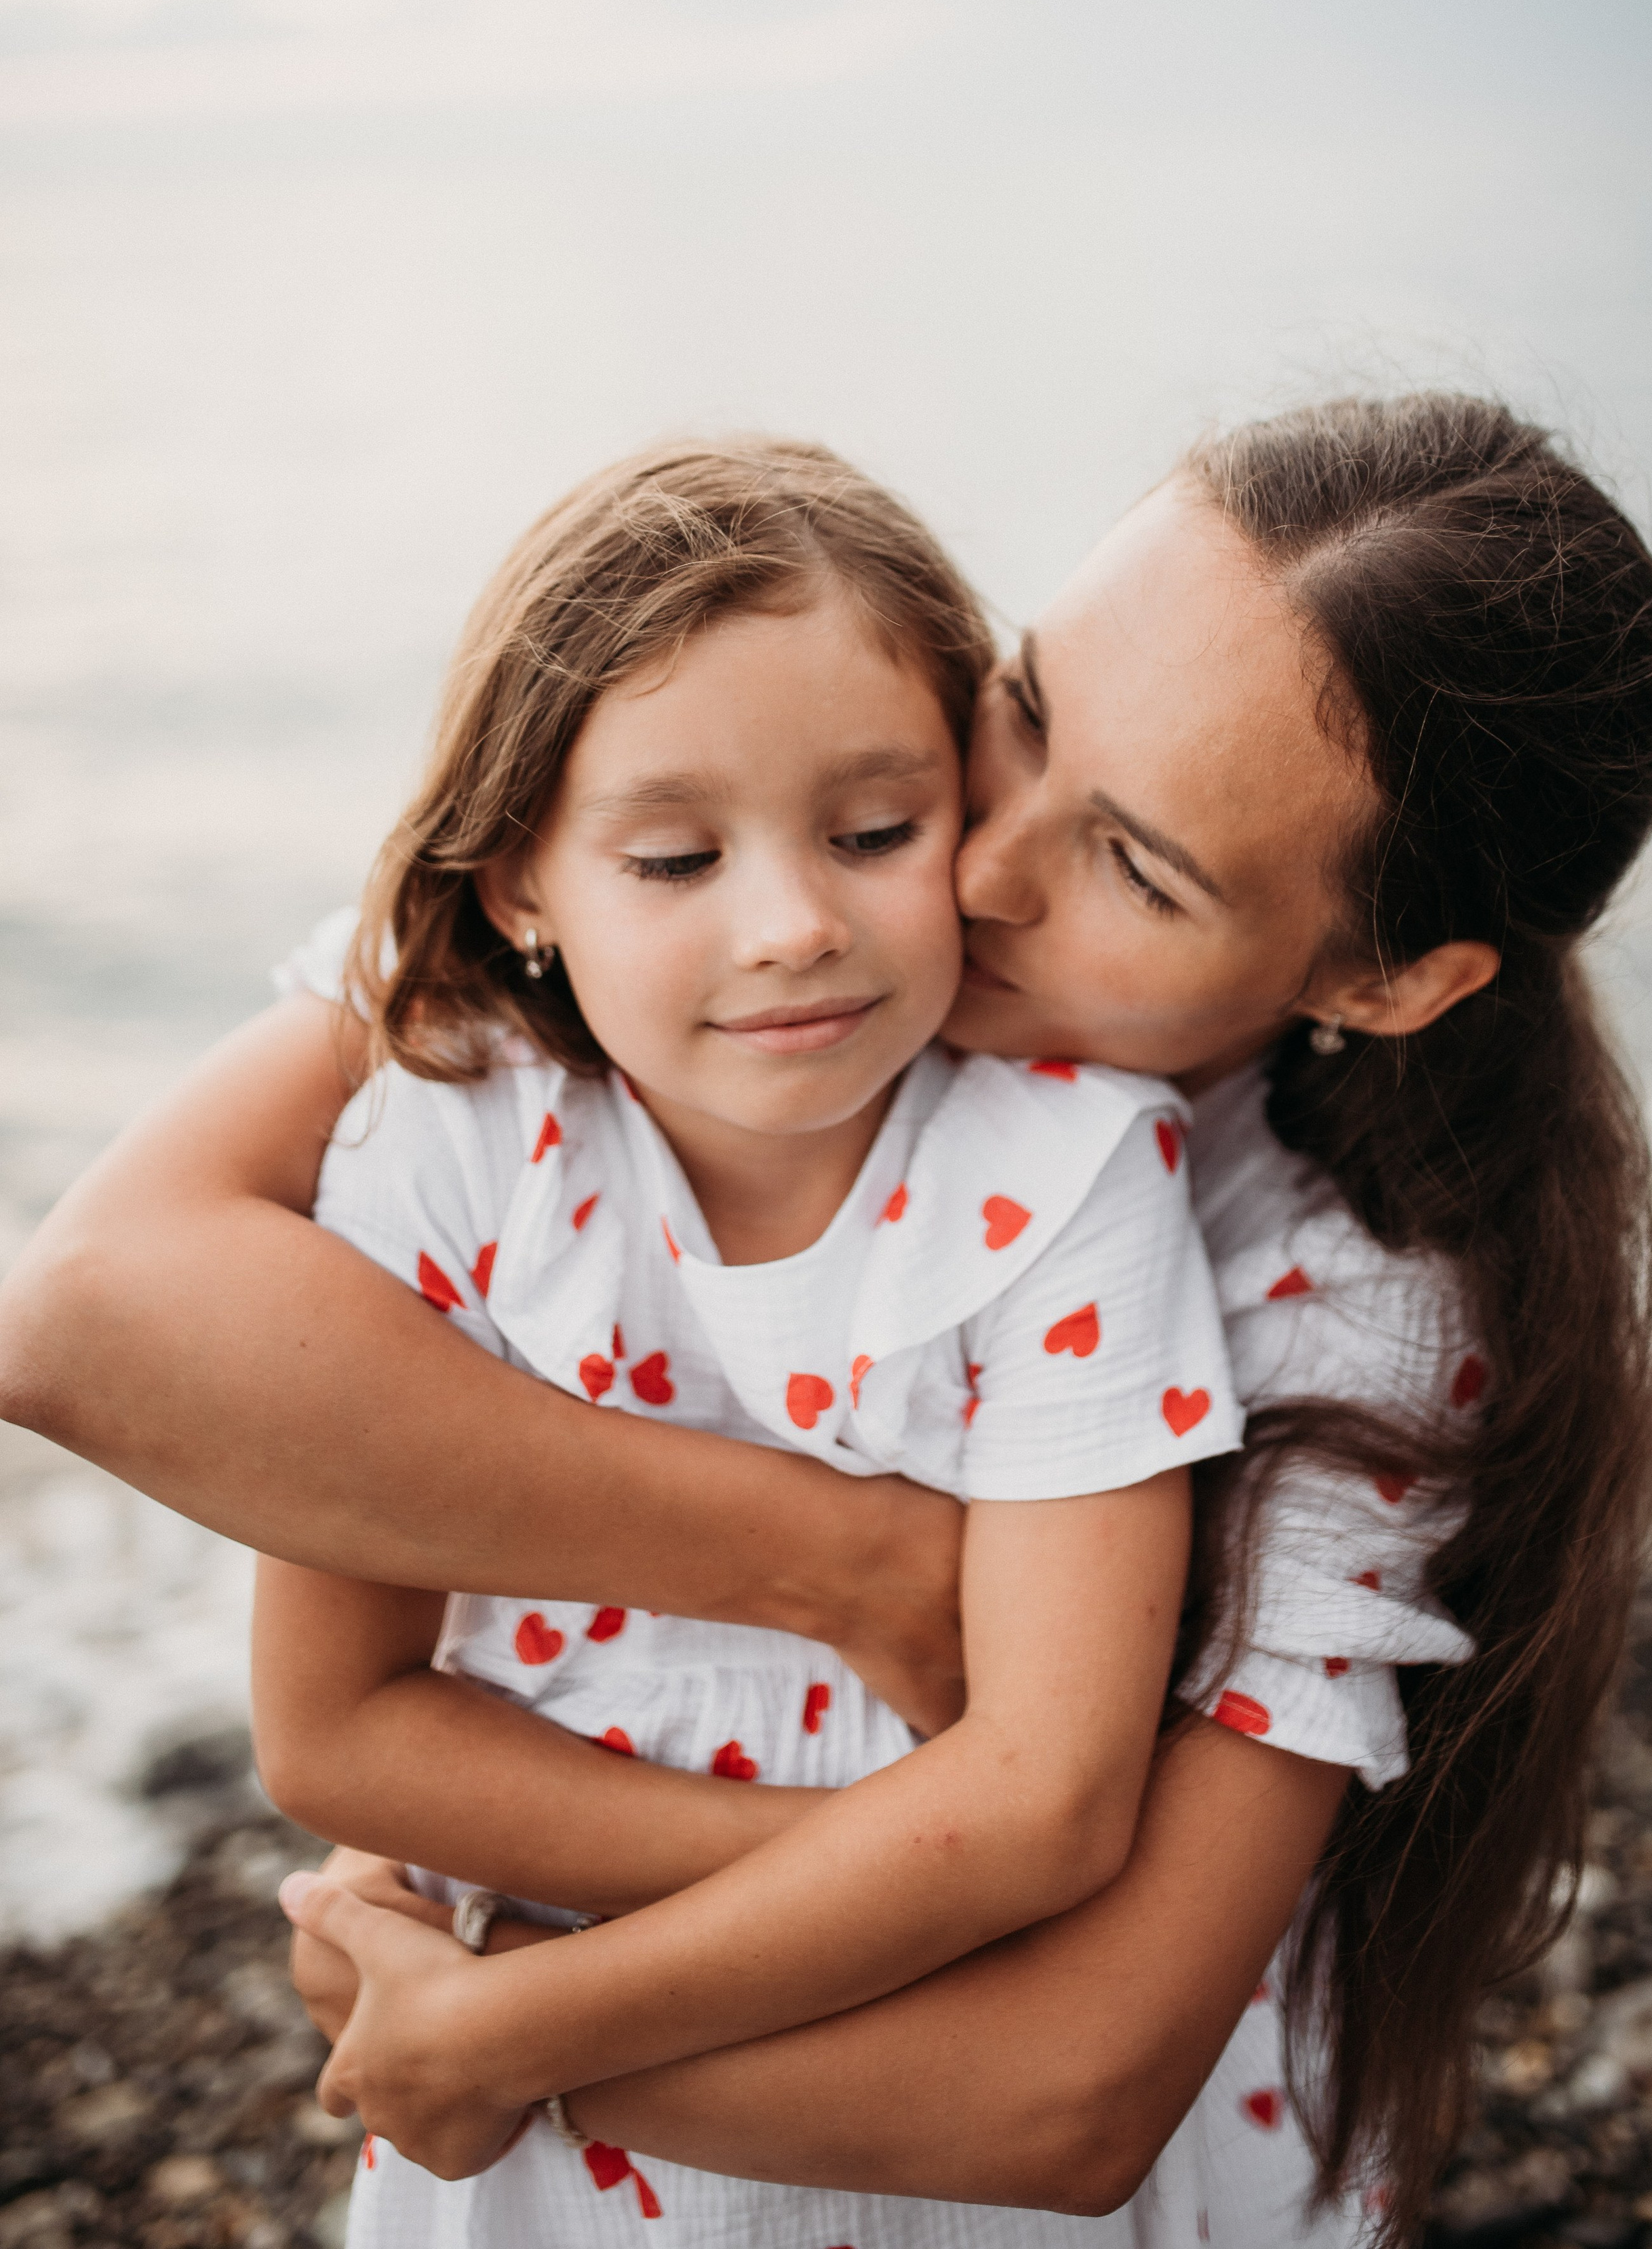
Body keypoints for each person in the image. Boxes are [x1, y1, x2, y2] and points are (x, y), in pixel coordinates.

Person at [0, 396, 1652, 2246]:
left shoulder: (1330, 1298)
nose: (972, 866)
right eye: (1026, 711)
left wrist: (487, 2034)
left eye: (1132, 865)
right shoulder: (557, 1035)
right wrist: (849, 1564)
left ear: (1384, 976)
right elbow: (79, 1315)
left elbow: (1072, 2080)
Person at [250, 438, 1244, 2239]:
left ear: (975, 806)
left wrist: (509, 2014)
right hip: (606, 2073)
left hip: (876, 2111)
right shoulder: (450, 1148)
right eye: (674, 854)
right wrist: (884, 1886)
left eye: (876, 831)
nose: (794, 922)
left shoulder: (1073, 1175)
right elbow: (331, 1732)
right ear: (519, 883)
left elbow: (1049, 1794)